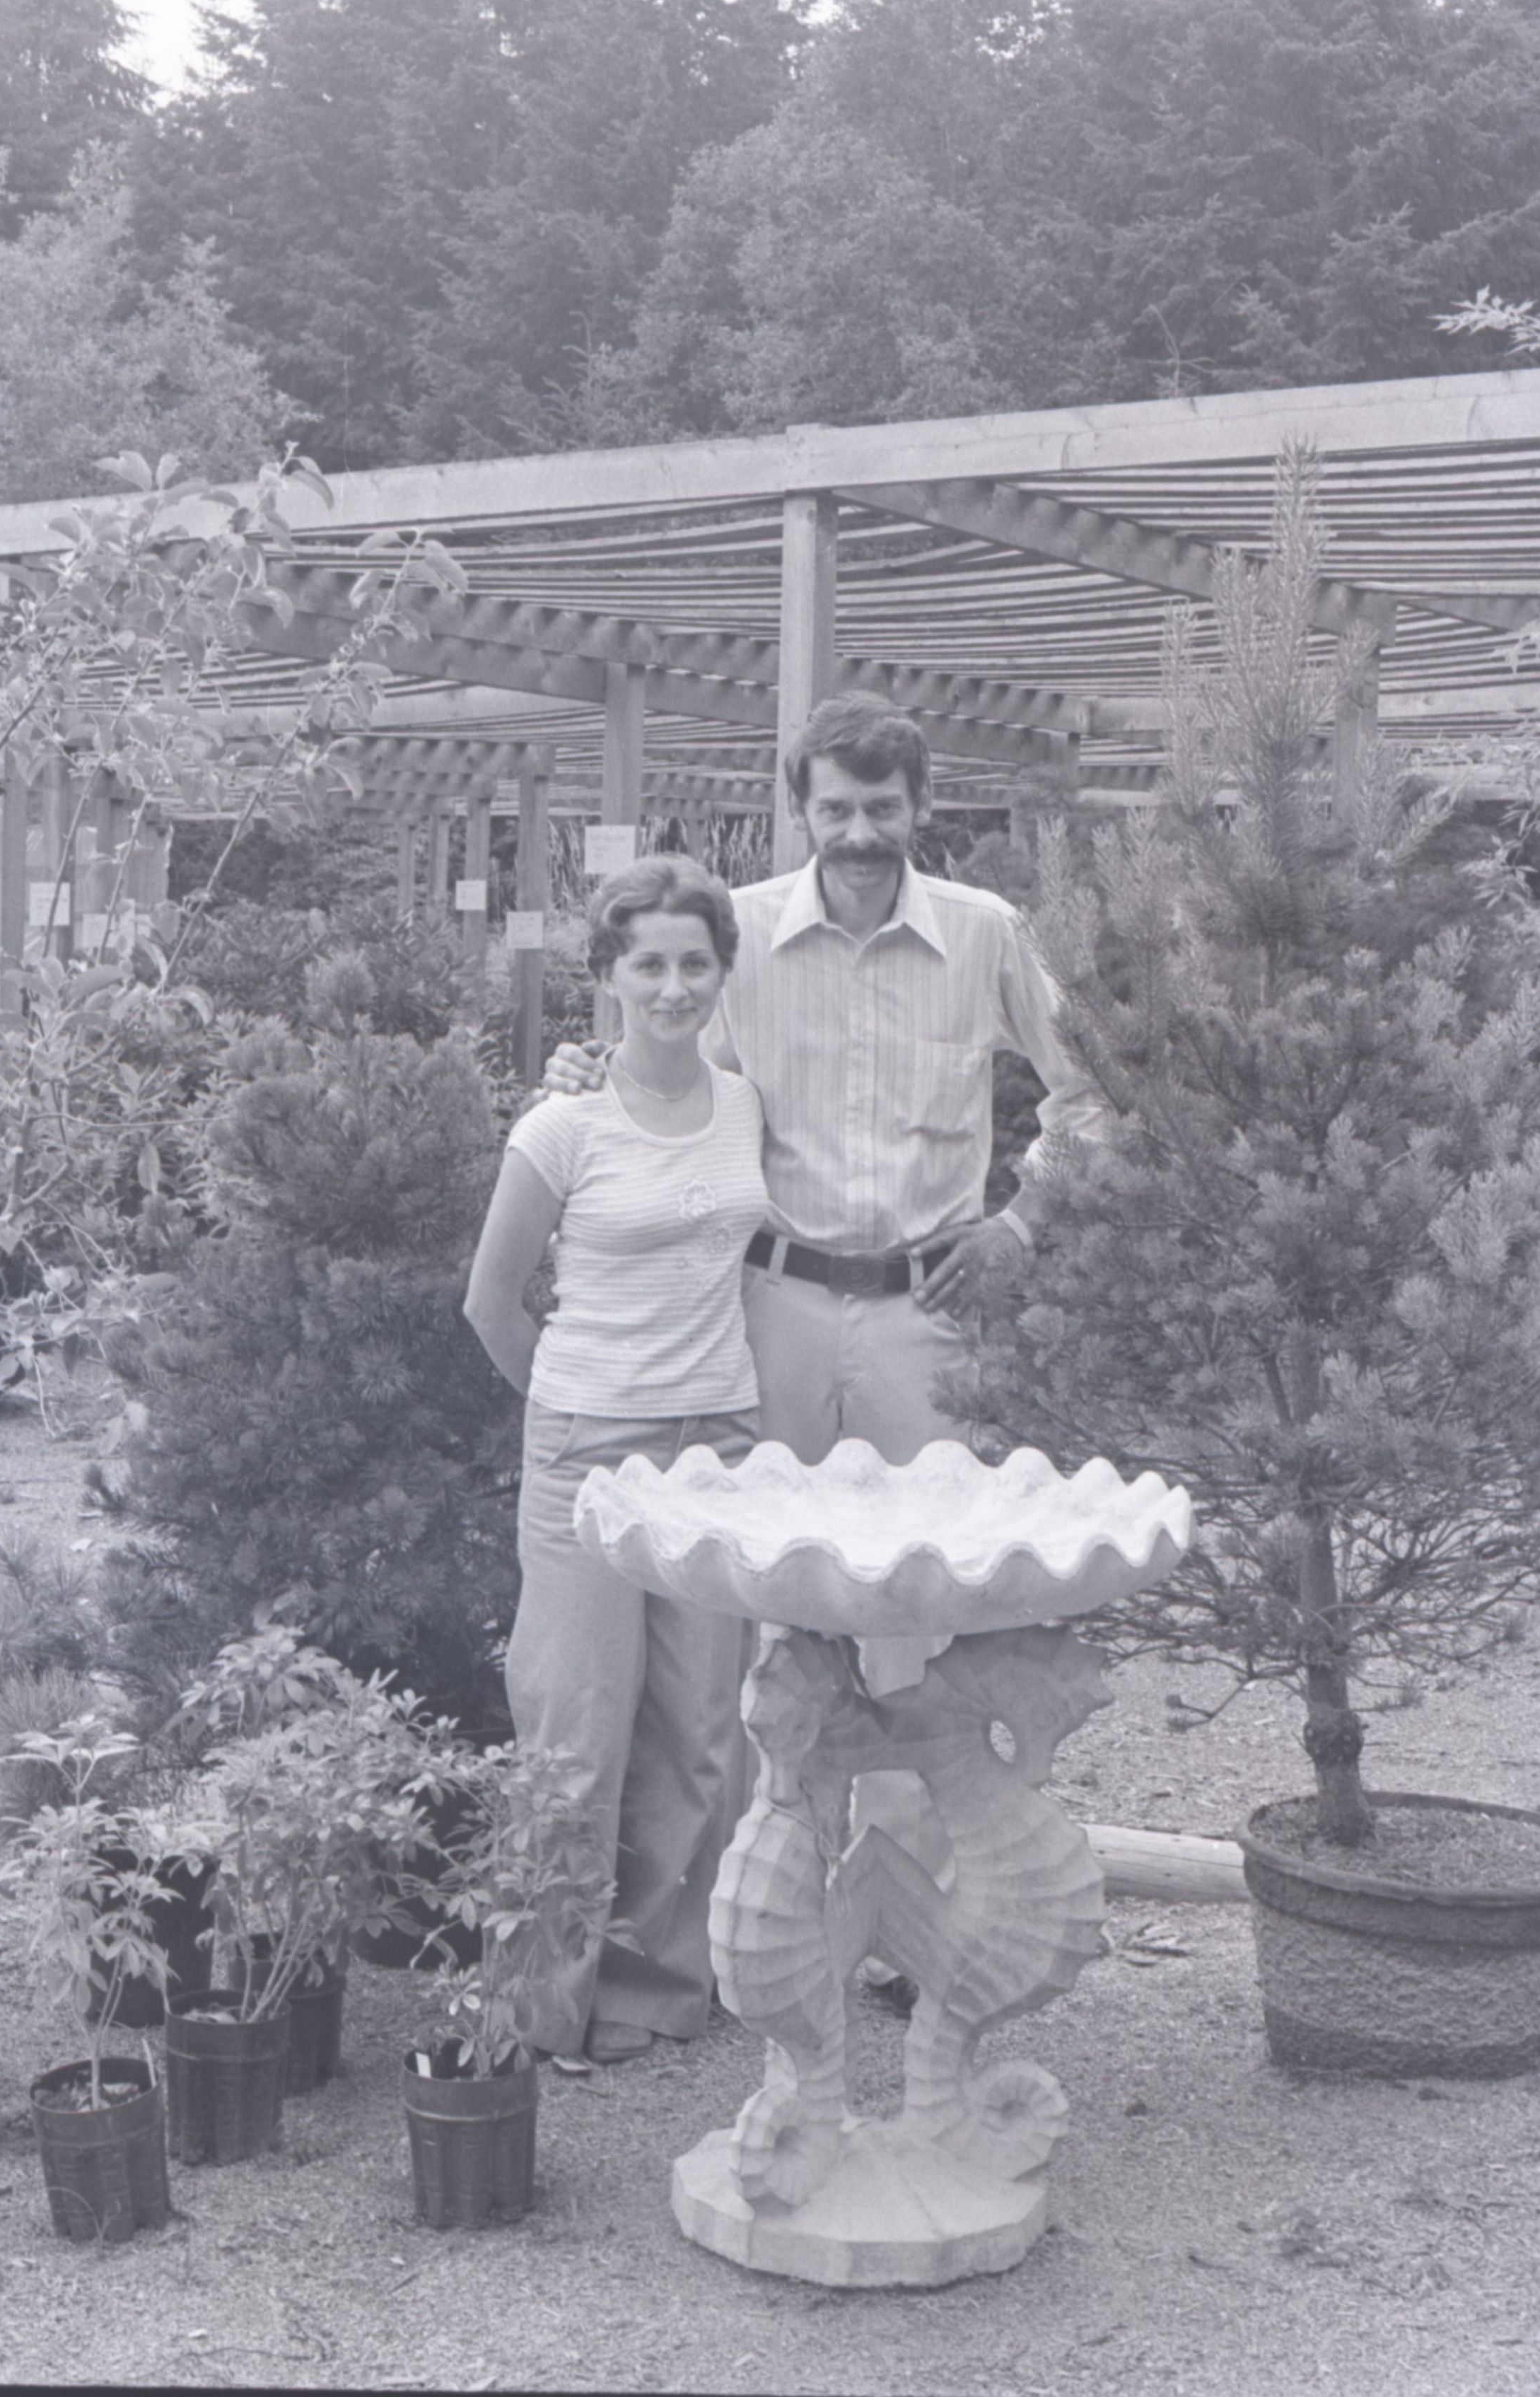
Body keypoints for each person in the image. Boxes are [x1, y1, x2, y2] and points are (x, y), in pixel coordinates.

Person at [547, 696, 1109, 1976]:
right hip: (774, 1306)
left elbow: (1094, 1086)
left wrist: (1024, 1223)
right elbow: (661, 1062)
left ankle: (912, 1934)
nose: (860, 832)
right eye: (837, 809)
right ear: (801, 809)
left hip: (926, 1310)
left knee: (917, 1597)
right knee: (759, 1601)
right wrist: (579, 1080)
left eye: (883, 808)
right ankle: (764, 1921)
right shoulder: (741, 934)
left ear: (922, 807)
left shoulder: (984, 933)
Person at [463, 855, 770, 2065]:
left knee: (699, 1733)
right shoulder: (563, 1124)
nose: (674, 985)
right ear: (607, 975)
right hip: (590, 1453)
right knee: (575, 1735)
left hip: (718, 1446)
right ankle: (539, 2009)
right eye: (649, 962)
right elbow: (491, 1303)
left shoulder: (745, 1106)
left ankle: (652, 1989)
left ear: (722, 971)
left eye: (696, 962)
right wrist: (572, 1410)